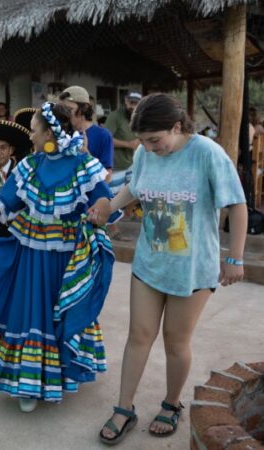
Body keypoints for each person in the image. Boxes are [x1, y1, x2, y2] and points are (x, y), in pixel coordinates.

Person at [0, 102, 118, 412]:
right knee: (31, 313)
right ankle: (29, 384)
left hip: (66, 260)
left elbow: (102, 198)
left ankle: (60, 373)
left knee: (60, 314)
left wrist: (101, 208)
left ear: (50, 132)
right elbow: (7, 198)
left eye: (35, 130)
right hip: (32, 256)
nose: (32, 137)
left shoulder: (84, 165)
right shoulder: (30, 165)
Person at [99, 93, 247, 445]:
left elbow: (237, 205)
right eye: (143, 142)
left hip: (194, 269)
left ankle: (171, 402)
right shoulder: (144, 153)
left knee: (175, 342)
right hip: (150, 262)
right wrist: (108, 207)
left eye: (155, 140)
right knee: (139, 336)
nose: (149, 149)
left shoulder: (207, 153)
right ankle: (124, 407)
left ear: (177, 126)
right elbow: (133, 187)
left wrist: (235, 258)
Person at [104, 91, 142, 240]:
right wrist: (128, 144)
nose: (133, 106)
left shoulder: (138, 116)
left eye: (136, 103)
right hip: (115, 163)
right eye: (131, 103)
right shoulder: (114, 116)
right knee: (111, 195)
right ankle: (111, 227)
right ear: (125, 101)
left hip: (131, 161)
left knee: (136, 188)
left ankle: (128, 213)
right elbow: (107, 138)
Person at [60, 86, 114, 180]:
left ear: (84, 108)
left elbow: (107, 178)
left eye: (69, 109)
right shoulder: (61, 133)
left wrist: (86, 154)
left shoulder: (103, 135)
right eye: (62, 110)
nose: (64, 114)